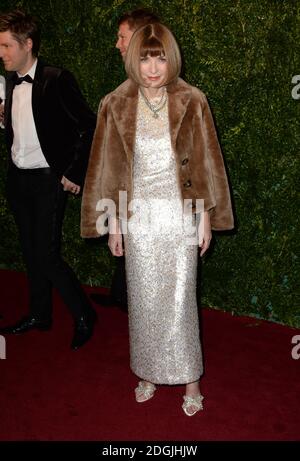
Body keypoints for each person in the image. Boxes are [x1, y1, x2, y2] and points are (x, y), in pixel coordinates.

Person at [81, 23, 234, 415]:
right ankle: (147, 373)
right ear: (135, 58)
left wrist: (204, 218)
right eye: (146, 57)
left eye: (160, 57)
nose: (152, 67)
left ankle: (190, 380)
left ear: (171, 59)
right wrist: (114, 223)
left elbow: (205, 164)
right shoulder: (114, 104)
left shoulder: (192, 100)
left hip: (179, 217)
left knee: (181, 302)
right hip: (140, 220)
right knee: (144, 301)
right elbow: (107, 170)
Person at [0, 10, 97, 350]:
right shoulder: (10, 80)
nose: (2, 53)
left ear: (28, 44)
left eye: (7, 46)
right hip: (18, 179)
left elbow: (89, 125)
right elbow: (23, 127)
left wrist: (74, 171)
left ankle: (85, 315)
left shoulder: (56, 78)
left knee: (46, 255)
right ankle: (40, 314)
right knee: (30, 251)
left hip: (47, 180)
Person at [89, 9, 160, 311]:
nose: (117, 44)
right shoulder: (116, 100)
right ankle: (124, 295)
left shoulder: (182, 97)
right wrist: (116, 224)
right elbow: (115, 167)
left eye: (122, 37)